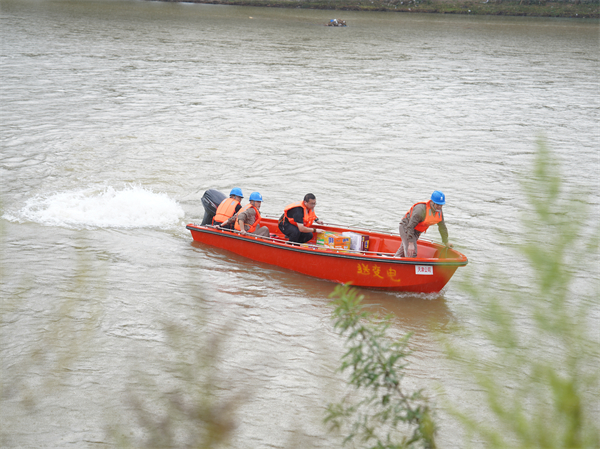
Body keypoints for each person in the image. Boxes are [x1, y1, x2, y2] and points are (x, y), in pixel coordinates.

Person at [394, 190, 453, 258]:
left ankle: (393, 262)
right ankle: (409, 267)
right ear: (431, 202)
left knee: (403, 251)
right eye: (437, 204)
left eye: (441, 205)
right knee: (411, 252)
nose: (439, 207)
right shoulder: (420, 210)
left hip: (416, 231)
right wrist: (410, 242)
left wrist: (446, 242)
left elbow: (442, 227)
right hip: (406, 227)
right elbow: (410, 227)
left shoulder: (439, 211)